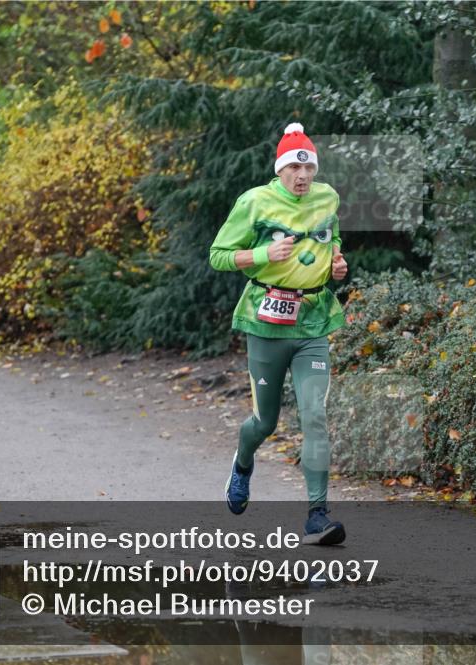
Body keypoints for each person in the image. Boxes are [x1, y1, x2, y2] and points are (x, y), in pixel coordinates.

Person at [208, 123, 349, 546]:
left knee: (315, 416)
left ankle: (317, 516)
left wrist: (337, 265)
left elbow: (332, 240)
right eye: (293, 168)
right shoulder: (254, 202)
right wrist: (263, 253)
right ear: (281, 169)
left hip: (313, 322)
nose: (302, 177)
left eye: (308, 168)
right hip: (266, 323)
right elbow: (218, 256)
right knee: (265, 421)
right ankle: (243, 462)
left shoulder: (328, 198)